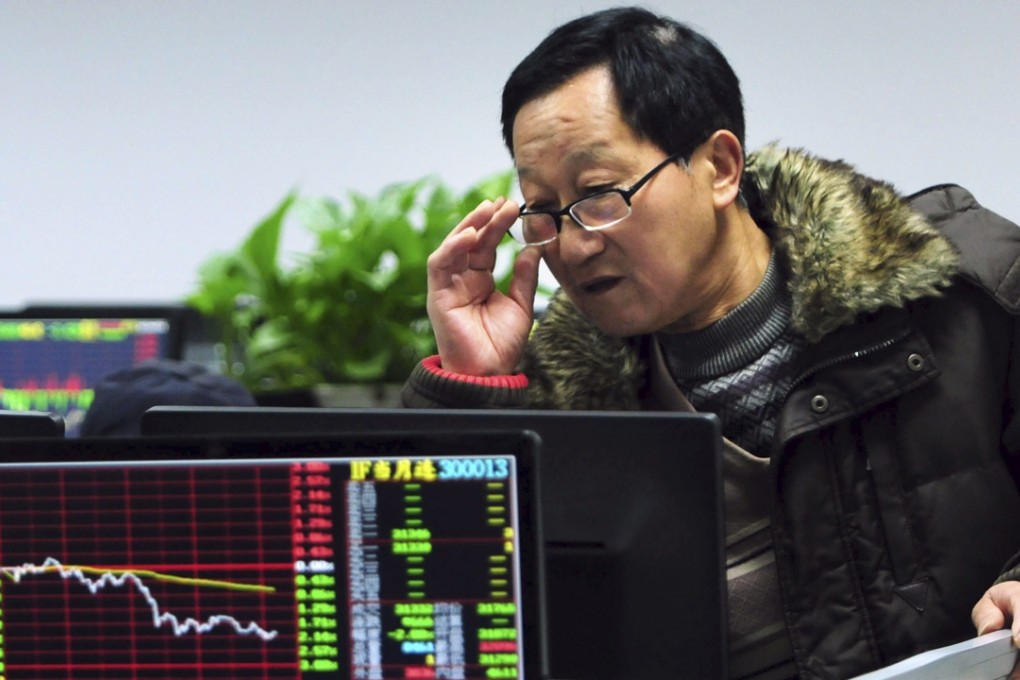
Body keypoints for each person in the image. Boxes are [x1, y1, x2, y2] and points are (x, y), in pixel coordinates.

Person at [401, 6, 1020, 679]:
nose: (573, 246)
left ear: (721, 167)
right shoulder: (559, 403)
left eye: (600, 194)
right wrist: (471, 384)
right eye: (543, 210)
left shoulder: (961, 287)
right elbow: (432, 624)